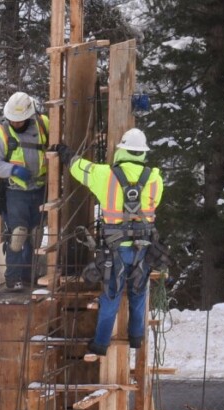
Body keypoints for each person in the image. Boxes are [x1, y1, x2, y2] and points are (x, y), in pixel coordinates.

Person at [69, 127, 164, 357]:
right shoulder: (154, 178)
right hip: (142, 247)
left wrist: (66, 155)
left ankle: (101, 343)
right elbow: (155, 203)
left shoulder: (105, 175)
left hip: (115, 249)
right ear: (142, 153)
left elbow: (77, 168)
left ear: (122, 150)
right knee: (139, 292)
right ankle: (136, 337)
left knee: (111, 294)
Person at [0, 91, 53, 292]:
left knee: (36, 234)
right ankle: (12, 277)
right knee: (18, 234)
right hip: (16, 192)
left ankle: (28, 275)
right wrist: (12, 170)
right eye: (12, 120)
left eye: (20, 120)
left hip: (41, 189)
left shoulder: (43, 124)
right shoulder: (1, 133)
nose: (16, 123)